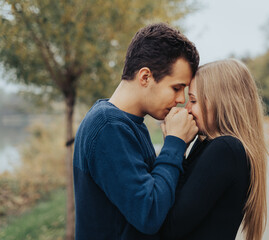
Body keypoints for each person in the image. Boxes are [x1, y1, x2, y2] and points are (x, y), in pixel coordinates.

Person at [73, 23, 200, 240]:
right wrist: (175, 143)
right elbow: (149, 214)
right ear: (145, 77)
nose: (181, 100)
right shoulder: (108, 127)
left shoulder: (128, 123)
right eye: (176, 88)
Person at [160, 59, 269, 240]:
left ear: (221, 102)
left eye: (193, 100)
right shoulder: (213, 145)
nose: (186, 109)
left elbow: (170, 226)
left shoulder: (225, 150)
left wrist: (174, 144)